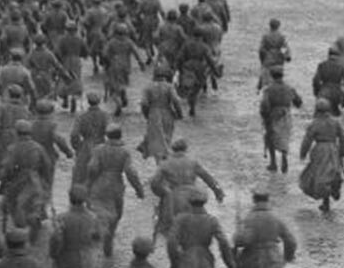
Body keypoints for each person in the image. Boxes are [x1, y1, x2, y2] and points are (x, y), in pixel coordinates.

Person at [168, 187, 236, 268]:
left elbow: (171, 242)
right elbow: (223, 242)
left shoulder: (180, 219)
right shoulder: (212, 220)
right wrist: (230, 264)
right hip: (206, 259)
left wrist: (174, 263)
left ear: (189, 202)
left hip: (186, 258)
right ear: (204, 203)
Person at [150, 137, 226, 243]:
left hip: (174, 199)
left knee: (165, 225)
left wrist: (163, 193)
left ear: (173, 150)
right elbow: (207, 177)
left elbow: (154, 183)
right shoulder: (192, 162)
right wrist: (218, 192)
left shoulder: (165, 164)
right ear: (185, 150)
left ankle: (154, 241)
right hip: (192, 198)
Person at [86, 125, 146, 257]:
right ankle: (108, 252)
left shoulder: (98, 150)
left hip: (99, 185)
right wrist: (139, 190)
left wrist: (88, 185)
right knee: (115, 218)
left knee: (97, 211)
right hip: (116, 187)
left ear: (107, 136)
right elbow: (131, 172)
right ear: (120, 135)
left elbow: (92, 167)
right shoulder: (124, 152)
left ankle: (96, 235)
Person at [0, 121, 52, 242]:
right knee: (35, 206)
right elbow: (47, 166)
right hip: (35, 181)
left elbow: (7, 168)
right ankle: (34, 233)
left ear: (17, 133)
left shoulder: (13, 148)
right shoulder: (39, 147)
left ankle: (21, 235)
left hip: (19, 182)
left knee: (16, 207)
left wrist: (4, 178)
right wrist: (45, 183)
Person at [299, 98, 344, 213]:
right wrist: (342, 151)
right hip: (333, 150)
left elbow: (307, 140)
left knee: (321, 176)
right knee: (333, 172)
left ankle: (326, 201)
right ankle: (333, 191)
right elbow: (343, 137)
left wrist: (303, 152)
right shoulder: (335, 122)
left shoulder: (315, 123)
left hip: (320, 151)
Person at [260, 65, 303, 173]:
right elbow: (298, 102)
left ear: (272, 76)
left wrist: (265, 116)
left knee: (270, 137)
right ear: (282, 75)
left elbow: (265, 105)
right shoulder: (289, 88)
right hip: (286, 115)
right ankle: (284, 156)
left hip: (273, 114)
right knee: (284, 137)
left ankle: (273, 162)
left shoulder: (268, 89)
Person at [138, 64, 183, 160]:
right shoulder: (169, 87)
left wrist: (147, 115)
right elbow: (176, 101)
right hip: (167, 114)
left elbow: (144, 103)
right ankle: (165, 160)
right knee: (167, 139)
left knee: (156, 141)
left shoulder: (148, 87)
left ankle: (160, 164)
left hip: (153, 115)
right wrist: (179, 114)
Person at [69, 91, 109, 188]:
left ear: (88, 101)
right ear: (99, 102)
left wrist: (77, 147)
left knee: (81, 179)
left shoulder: (81, 116)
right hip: (101, 145)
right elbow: (110, 131)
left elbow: (74, 134)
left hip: (85, 147)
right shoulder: (105, 115)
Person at [313, 46, 344, 113]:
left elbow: (316, 80)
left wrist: (317, 92)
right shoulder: (342, 66)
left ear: (328, 55)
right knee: (337, 114)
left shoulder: (322, 65)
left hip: (324, 92)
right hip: (337, 93)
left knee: (319, 114)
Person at [257, 17, 291, 91]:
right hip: (279, 61)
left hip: (268, 61)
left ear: (270, 26)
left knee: (266, 82)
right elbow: (285, 48)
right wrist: (287, 57)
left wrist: (263, 59)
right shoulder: (281, 37)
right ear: (278, 26)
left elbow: (261, 50)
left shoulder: (265, 36)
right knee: (278, 80)